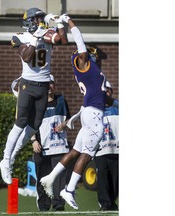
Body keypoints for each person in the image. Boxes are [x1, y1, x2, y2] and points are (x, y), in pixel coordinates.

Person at [40, 15, 109, 210]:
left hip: (89, 111)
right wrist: (69, 21)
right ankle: (68, 190)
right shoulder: (84, 64)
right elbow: (79, 39)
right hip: (94, 114)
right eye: (88, 54)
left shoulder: (88, 69)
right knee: (87, 155)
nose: (91, 55)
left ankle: (50, 178)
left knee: (76, 151)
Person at [0, 8, 68, 185]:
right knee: (20, 122)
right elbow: (28, 56)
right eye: (37, 19)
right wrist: (36, 38)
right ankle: (6, 160)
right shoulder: (20, 36)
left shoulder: (44, 33)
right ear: (29, 21)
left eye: (41, 19)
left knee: (34, 125)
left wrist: (59, 22)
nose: (41, 22)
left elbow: (61, 40)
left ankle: (13, 155)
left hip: (43, 86)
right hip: (27, 85)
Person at [32, 74, 71, 211]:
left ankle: (58, 206)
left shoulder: (61, 101)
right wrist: (33, 141)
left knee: (59, 179)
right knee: (42, 179)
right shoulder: (36, 104)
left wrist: (65, 124)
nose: (49, 86)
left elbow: (69, 120)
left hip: (59, 147)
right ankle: (43, 206)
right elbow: (29, 125)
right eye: (46, 84)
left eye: (51, 83)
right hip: (41, 147)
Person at [94, 81, 119, 211]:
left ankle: (112, 201)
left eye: (108, 90)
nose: (106, 92)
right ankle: (105, 204)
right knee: (103, 178)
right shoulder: (94, 109)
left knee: (116, 180)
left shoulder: (118, 106)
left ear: (111, 92)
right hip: (100, 150)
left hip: (117, 150)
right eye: (104, 90)